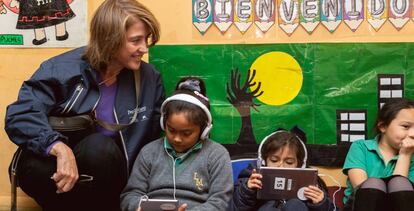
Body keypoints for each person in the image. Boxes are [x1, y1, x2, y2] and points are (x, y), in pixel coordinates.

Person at [5, 0, 164, 210]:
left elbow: (155, 138)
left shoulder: (149, 78)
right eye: (135, 41)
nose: (144, 48)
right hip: (58, 171)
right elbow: (20, 115)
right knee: (34, 165)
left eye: (146, 39)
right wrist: (59, 148)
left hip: (109, 175)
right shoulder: (61, 69)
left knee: (99, 148)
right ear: (111, 39)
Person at [120, 77, 233, 211]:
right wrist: (137, 206)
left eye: (186, 133)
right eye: (171, 130)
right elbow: (130, 195)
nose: (177, 139)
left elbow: (220, 202)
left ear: (204, 130)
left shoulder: (217, 155)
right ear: (163, 123)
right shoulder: (149, 152)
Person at [229, 127, 334, 211]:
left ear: (300, 164)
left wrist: (321, 203)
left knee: (295, 205)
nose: (281, 166)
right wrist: (247, 190)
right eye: (274, 160)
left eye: (289, 162)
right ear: (263, 161)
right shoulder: (250, 176)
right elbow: (232, 207)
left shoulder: (313, 182)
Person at [342, 98, 414, 211]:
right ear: (383, 126)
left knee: (399, 182)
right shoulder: (361, 147)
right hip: (362, 205)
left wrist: (405, 155)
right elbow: (363, 191)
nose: (413, 134)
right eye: (405, 126)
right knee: (374, 183)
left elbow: (401, 196)